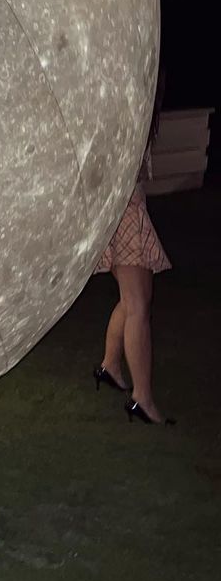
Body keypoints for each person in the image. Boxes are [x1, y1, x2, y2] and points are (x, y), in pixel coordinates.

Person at [92, 66, 174, 425]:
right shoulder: (124, 108)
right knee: (138, 304)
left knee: (133, 300)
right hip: (124, 209)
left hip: (125, 207)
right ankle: (143, 398)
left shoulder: (131, 109)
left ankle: (110, 366)